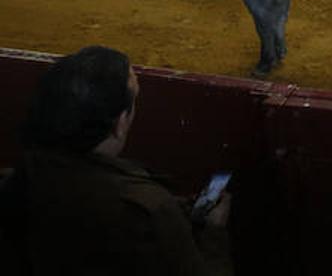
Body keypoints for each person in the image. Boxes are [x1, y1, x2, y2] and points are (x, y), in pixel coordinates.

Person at [0, 46, 232, 274]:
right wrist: (213, 233)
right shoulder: (150, 211)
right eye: (133, 102)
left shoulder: (18, 180)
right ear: (120, 124)